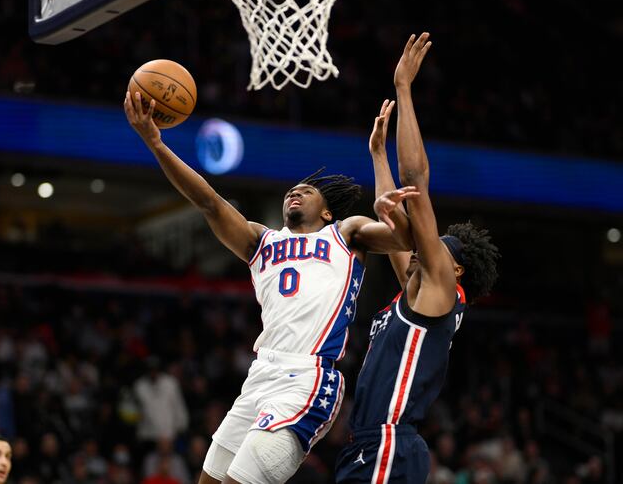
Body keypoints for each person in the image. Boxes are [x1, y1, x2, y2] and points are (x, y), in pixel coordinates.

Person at [124, 91, 418, 484]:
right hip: (260, 376)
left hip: (307, 378)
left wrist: (391, 211)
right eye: (290, 190)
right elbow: (209, 202)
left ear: (327, 211)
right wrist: (155, 143)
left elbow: (404, 240)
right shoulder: (260, 241)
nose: (294, 192)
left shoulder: (345, 234)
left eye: (306, 191)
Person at [335, 33, 500, 483]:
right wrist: (376, 154)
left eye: (436, 244)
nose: (424, 247)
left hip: (388, 443)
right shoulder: (412, 293)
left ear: (456, 268)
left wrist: (404, 89)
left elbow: (416, 183)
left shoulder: (442, 289)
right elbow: (394, 225)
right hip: (371, 444)